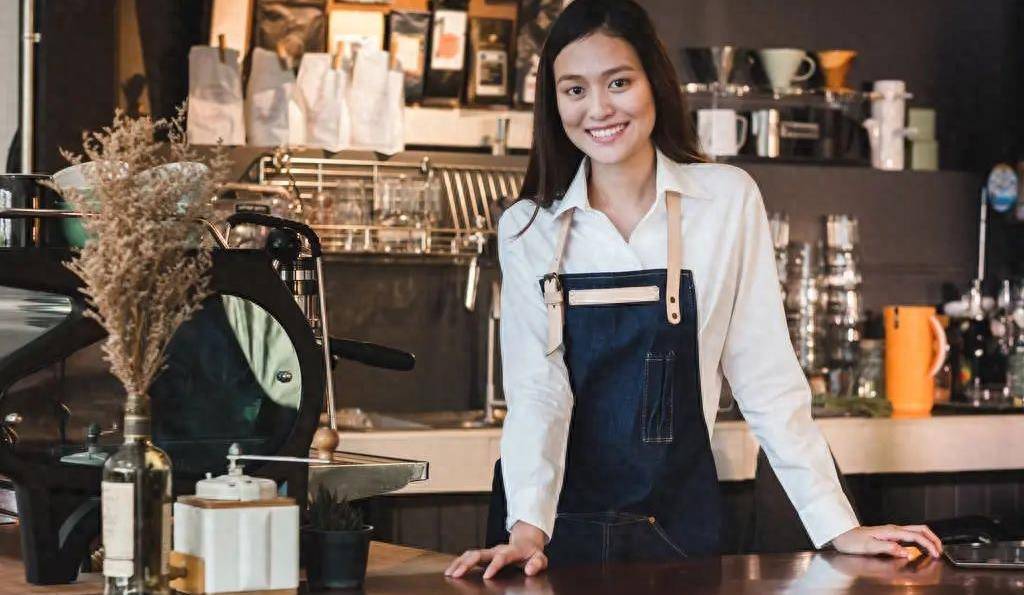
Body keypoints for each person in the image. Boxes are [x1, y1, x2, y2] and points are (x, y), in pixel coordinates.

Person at [445, 0, 942, 579]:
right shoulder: (529, 226)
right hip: (549, 538)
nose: (599, 108)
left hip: (673, 529)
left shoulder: (726, 201)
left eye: (619, 82)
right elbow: (539, 391)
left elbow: (767, 378)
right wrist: (526, 529)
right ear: (554, 105)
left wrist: (838, 525)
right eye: (574, 90)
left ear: (654, 83)